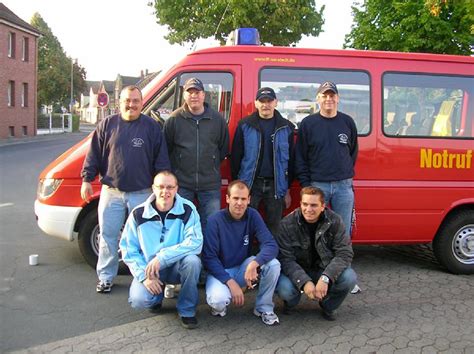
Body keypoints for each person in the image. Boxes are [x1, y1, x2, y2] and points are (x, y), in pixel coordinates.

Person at [81, 85, 170, 294]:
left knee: (146, 238)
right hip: (111, 193)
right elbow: (93, 155)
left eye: (136, 101)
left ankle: (147, 277)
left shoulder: (151, 127)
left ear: (142, 102)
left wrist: (163, 188)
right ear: (119, 103)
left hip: (142, 192)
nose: (131, 105)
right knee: (108, 237)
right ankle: (105, 277)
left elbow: (162, 160)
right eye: (127, 101)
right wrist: (86, 180)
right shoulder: (107, 125)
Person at [119, 171, 203, 329]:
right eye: (161, 187)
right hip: (151, 270)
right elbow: (129, 250)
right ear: (153, 189)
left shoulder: (187, 209)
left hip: (177, 266)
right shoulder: (138, 213)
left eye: (170, 187)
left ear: (177, 189)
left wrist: (163, 257)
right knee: (139, 300)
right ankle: (155, 297)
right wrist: (144, 277)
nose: (166, 192)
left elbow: (196, 242)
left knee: (193, 262)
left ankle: (187, 310)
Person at [202, 180, 281, 326]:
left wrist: (254, 263)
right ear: (227, 199)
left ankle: (263, 308)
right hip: (220, 271)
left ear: (249, 200)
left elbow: (270, 245)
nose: (239, 203)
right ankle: (220, 303)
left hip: (242, 269)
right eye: (235, 198)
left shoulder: (253, 215)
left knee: (273, 264)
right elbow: (209, 258)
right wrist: (231, 283)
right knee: (218, 302)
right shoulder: (215, 220)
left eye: (243, 199)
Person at [275, 186, 357, 321]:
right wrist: (304, 282)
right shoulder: (286, 224)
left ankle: (328, 306)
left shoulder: (335, 221)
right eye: (305, 204)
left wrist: (326, 278)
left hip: (323, 269)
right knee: (285, 288)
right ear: (300, 204)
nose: (308, 209)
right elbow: (285, 259)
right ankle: (291, 302)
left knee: (349, 278)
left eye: (314, 205)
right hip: (299, 270)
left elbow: (344, 253)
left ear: (323, 206)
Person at [164, 77, 229, 234]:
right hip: (182, 184)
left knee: (211, 227)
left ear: (203, 95)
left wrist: (210, 164)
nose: (194, 96)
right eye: (190, 92)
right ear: (184, 95)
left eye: (197, 92)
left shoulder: (217, 120)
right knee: (180, 225)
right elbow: (166, 149)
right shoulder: (174, 119)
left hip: (209, 185)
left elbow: (223, 149)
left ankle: (207, 258)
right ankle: (184, 258)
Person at [295, 81, 358, 238]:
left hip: (343, 186)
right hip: (317, 185)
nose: (328, 99)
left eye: (332, 95)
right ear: (318, 98)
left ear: (338, 98)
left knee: (342, 231)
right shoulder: (308, 124)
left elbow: (353, 152)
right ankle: (316, 263)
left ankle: (343, 263)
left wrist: (344, 172)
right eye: (324, 95)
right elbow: (300, 156)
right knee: (314, 230)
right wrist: (306, 186)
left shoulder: (348, 122)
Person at [231, 87, 294, 237]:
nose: (266, 105)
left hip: (276, 186)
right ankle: (243, 257)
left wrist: (288, 190)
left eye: (269, 101)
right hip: (250, 185)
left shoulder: (287, 128)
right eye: (262, 101)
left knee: (274, 227)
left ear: (276, 103)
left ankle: (270, 258)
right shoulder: (245, 125)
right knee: (245, 225)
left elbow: (292, 163)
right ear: (256, 103)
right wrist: (238, 186)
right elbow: (236, 157)